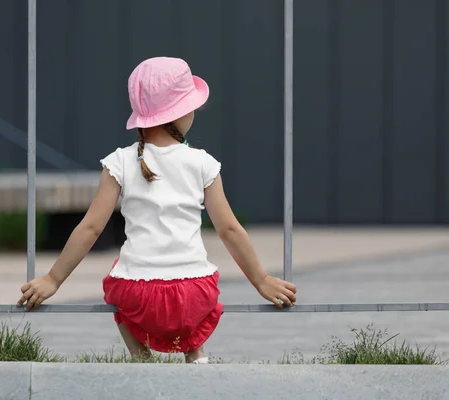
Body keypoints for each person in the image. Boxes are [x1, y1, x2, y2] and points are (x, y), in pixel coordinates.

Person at [17, 56, 297, 364]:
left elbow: (91, 228)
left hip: (139, 295)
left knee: (115, 280)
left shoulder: (120, 162)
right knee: (200, 309)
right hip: (194, 293)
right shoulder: (202, 162)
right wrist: (261, 280)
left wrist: (53, 279)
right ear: (181, 113)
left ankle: (141, 358)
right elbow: (229, 229)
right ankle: (196, 354)